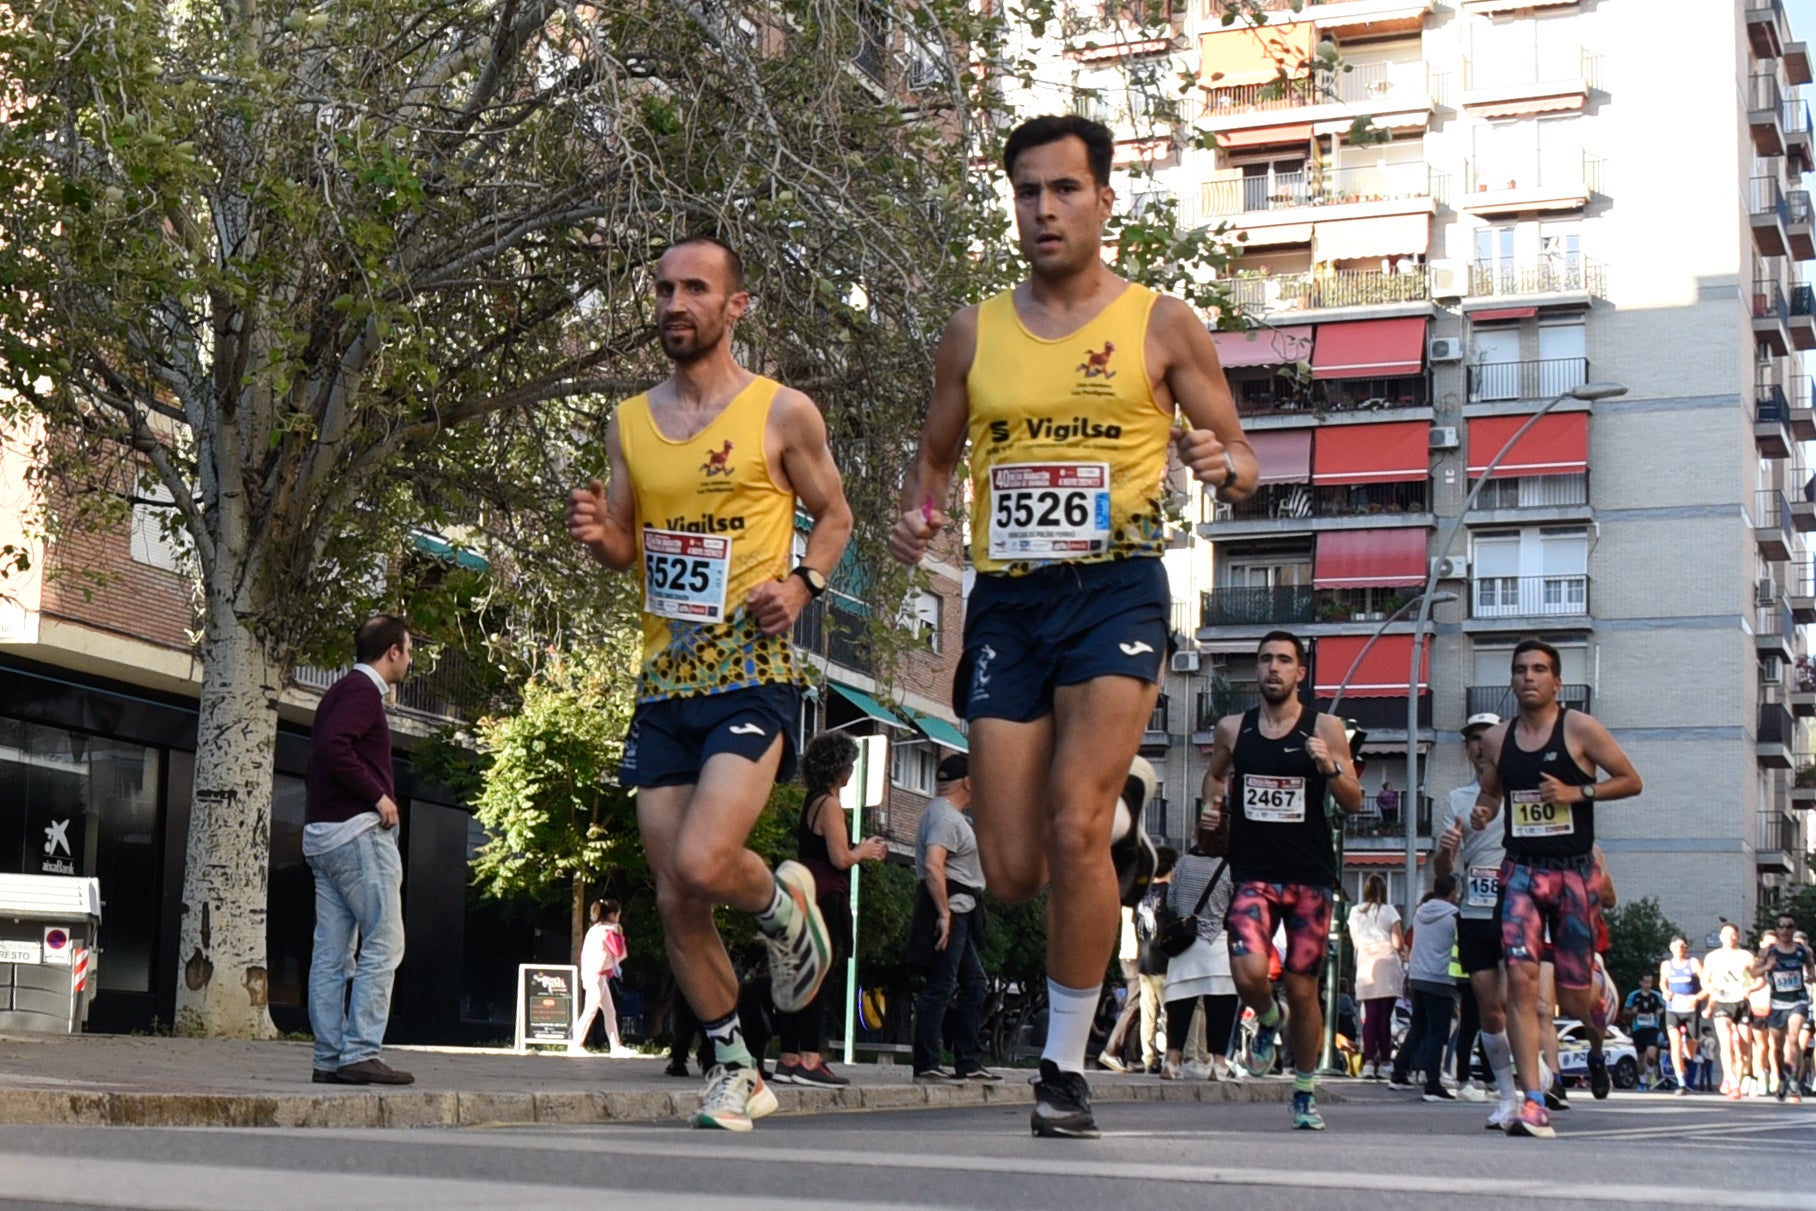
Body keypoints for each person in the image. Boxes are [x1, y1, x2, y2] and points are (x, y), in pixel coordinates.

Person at [887, 114, 1256, 1140]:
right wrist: (917, 515)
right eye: (1025, 193)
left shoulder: (1159, 323)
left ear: (1102, 200)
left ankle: (1060, 1064)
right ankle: (1103, 844)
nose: (1042, 209)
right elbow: (931, 462)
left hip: (1116, 593)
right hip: (1008, 600)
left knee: (1074, 821)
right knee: (1009, 866)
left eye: (1061, 190)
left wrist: (1225, 465)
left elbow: (1241, 452)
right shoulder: (972, 332)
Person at [564, 236, 853, 1132]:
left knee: (702, 859)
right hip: (664, 683)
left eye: (696, 288)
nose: (674, 302)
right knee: (675, 894)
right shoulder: (630, 421)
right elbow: (625, 545)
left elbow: (838, 513)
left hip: (751, 673)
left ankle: (782, 902)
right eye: (663, 289)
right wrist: (599, 531)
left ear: (736, 307)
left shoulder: (781, 412)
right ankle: (736, 1065)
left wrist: (801, 584)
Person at [1469, 638, 1642, 1138]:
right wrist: (1485, 809)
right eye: (1520, 669)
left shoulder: (1580, 729)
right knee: (1520, 983)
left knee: (1569, 1001)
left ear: (1556, 681)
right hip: (1521, 870)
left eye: (1539, 669)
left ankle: (1595, 1019)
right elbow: (1491, 791)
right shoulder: (1499, 739)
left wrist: (1577, 792)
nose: (1528, 677)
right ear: (1512, 679)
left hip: (1574, 872)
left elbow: (1631, 780)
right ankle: (1534, 1101)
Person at [1202, 630, 1363, 1130]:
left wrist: (1329, 765)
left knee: (1302, 989)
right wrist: (1212, 809)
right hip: (1253, 873)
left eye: (1284, 660)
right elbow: (1214, 776)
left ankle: (1304, 1090)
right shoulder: (1234, 728)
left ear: (1300, 673)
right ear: (1258, 669)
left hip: (1309, 879)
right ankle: (1268, 1021)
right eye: (1266, 659)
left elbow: (1353, 799)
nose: (1273, 668)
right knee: (1247, 971)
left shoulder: (1326, 727)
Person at [304, 614, 415, 1087]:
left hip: (322, 836)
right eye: (409, 651)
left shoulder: (336, 692)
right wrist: (379, 795)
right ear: (392, 651)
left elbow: (326, 747)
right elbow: (335, 747)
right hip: (357, 835)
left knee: (331, 952)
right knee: (385, 941)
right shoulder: (363, 692)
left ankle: (329, 1057)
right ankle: (361, 1051)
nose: (410, 661)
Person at [772, 733, 889, 1088]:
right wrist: (864, 851)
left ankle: (788, 1057)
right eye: (849, 765)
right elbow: (840, 858)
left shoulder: (811, 800)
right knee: (818, 978)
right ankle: (810, 1058)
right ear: (837, 767)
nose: (852, 771)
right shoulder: (831, 805)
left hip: (800, 892)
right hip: (825, 897)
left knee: (798, 975)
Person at [1433, 710, 1523, 1126]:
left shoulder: (1523, 786)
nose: (1479, 745)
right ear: (1468, 749)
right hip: (1475, 910)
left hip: (1520, 906)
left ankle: (1539, 1085)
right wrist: (1445, 852)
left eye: (1487, 737)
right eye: (1472, 739)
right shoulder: (1456, 799)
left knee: (1526, 1001)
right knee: (1490, 1008)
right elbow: (1442, 874)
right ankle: (1507, 1096)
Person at [911, 754, 998, 1083]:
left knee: (974, 984)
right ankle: (927, 1062)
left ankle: (968, 1060)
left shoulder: (950, 815)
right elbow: (935, 864)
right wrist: (945, 914)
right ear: (968, 782)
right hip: (952, 909)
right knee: (941, 985)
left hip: (960, 908)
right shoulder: (945, 816)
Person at [1160, 832, 1239, 1082]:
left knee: (1180, 1007)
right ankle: (1218, 1064)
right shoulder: (1228, 867)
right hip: (1217, 944)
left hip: (1185, 946)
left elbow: (1170, 901)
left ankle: (1172, 1062)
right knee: (1220, 1008)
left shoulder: (1183, 863)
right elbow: (1234, 906)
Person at [1103, 846, 1177, 1073]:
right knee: (1145, 1007)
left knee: (1145, 1010)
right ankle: (1113, 1050)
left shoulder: (1137, 888)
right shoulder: (1157, 891)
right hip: (1143, 955)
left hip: (1139, 954)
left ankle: (1140, 1056)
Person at [1403, 875, 1462, 1102]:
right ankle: (1432, 1083)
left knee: (1418, 1028)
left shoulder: (1420, 914)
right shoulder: (1454, 917)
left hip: (1417, 976)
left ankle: (1401, 1071)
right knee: (1438, 1033)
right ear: (1453, 892)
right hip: (1440, 978)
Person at [1346, 874, 1404, 1081]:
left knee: (1370, 1015)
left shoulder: (1355, 912)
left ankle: (1369, 1062)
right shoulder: (1390, 911)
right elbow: (1397, 943)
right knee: (1385, 1017)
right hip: (1387, 962)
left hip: (1366, 963)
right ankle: (1386, 1061)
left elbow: (1355, 942)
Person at [1753, 914, 1812, 1104]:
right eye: (1781, 926)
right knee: (1776, 1047)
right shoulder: (1768, 951)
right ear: (1777, 929)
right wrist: (1767, 966)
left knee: (1793, 1038)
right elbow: (1752, 972)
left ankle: (1794, 1081)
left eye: (1789, 926)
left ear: (1794, 929)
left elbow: (1811, 970)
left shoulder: (1804, 950)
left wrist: (1811, 976)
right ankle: (1781, 1078)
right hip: (1777, 1003)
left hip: (1798, 1000)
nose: (1785, 930)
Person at [1701, 923, 1758, 1100]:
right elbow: (1705, 981)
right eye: (1726, 934)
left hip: (1741, 1002)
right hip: (1722, 1002)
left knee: (1743, 1048)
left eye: (1733, 935)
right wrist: (1713, 991)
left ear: (1738, 937)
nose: (1730, 938)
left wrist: (1749, 989)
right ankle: (1732, 1081)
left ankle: (1737, 1078)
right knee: (1725, 1044)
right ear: (1721, 937)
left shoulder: (1745, 956)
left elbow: (1758, 978)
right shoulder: (1712, 957)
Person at [573, 900, 635, 1056]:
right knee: (591, 1010)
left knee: (609, 1011)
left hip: (594, 973)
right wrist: (620, 934)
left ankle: (615, 1046)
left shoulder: (596, 929)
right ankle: (575, 1045)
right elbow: (618, 951)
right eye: (618, 915)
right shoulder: (609, 930)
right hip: (596, 975)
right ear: (613, 915)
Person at [1659, 937, 1705, 1095]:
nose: (1679, 949)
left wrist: (1697, 997)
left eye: (1682, 946)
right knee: (1675, 1044)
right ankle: (1681, 1083)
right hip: (1673, 1008)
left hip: (1691, 1008)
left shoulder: (1693, 963)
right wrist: (1665, 991)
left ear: (1686, 948)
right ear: (1671, 948)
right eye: (1676, 946)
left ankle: (1686, 1059)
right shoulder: (1666, 965)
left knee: (1692, 1047)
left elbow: (1707, 984)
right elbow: (1662, 982)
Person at [1623, 972, 1665, 1091]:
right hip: (1638, 1028)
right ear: (1640, 982)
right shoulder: (1633, 995)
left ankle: (1651, 1072)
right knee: (1641, 1058)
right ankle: (1642, 1081)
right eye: (1646, 982)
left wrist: (1660, 1011)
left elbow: (1663, 1007)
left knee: (1651, 1054)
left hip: (1652, 1028)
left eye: (1650, 982)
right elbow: (1625, 1011)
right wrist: (1633, 1012)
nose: (1648, 985)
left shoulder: (1657, 995)